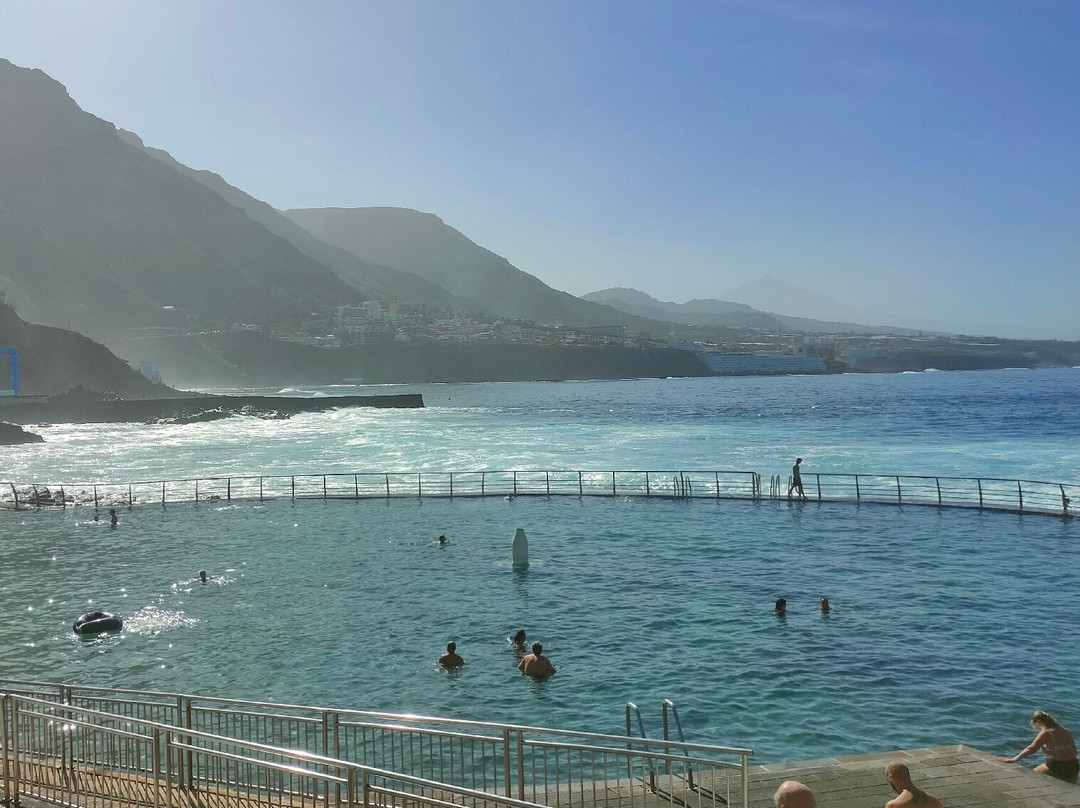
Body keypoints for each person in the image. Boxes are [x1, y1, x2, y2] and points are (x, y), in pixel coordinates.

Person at [999, 709, 1078, 783]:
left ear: (1039, 722)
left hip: (1056, 765)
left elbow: (1031, 749)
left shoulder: (1046, 733)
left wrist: (1014, 759)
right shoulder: (1066, 731)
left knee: (1032, 778)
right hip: (1073, 765)